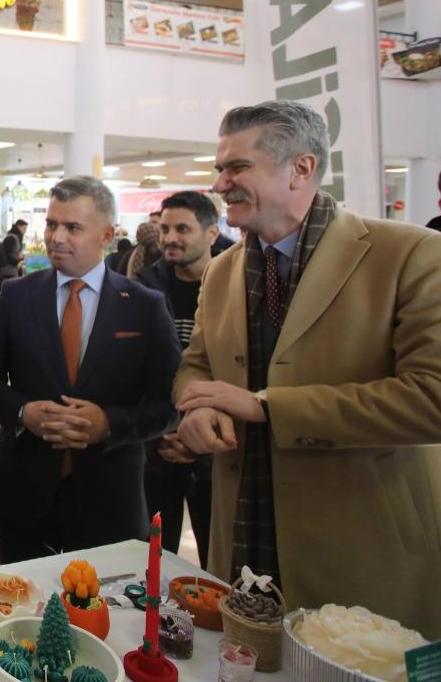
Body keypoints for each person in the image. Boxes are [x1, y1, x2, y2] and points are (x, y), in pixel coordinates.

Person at [173, 101, 441, 638]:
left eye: (237, 167)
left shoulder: (409, 254)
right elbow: (196, 365)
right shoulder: (223, 271)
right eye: (220, 167)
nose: (220, 182)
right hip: (245, 531)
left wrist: (268, 408)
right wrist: (194, 406)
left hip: (360, 544)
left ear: (302, 169)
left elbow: (431, 398)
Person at [0, 176, 181, 563]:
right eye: (52, 224)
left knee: (103, 615)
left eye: (73, 228)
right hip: (24, 493)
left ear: (106, 234)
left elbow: (169, 404)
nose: (56, 237)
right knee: (26, 610)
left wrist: (110, 423)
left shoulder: (143, 305)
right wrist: (22, 412)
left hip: (109, 497)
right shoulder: (18, 296)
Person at [135, 191, 221, 568]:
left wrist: (201, 436)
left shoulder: (236, 284)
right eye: (165, 228)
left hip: (217, 447)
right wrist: (161, 432)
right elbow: (133, 369)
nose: (169, 237)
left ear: (212, 234)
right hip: (159, 447)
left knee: (219, 558)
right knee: (155, 560)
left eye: (182, 229)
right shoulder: (144, 285)